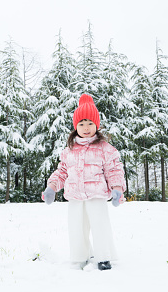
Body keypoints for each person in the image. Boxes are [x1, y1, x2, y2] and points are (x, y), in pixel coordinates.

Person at [42, 94, 126, 271]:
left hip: (97, 195)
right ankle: (80, 256)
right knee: (76, 227)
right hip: (75, 196)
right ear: (75, 127)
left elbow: (114, 169)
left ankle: (104, 257)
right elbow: (62, 171)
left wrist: (117, 188)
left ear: (97, 125)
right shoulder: (69, 150)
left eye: (90, 123)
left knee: (100, 224)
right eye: (81, 124)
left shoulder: (104, 148)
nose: (86, 128)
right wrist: (52, 187)